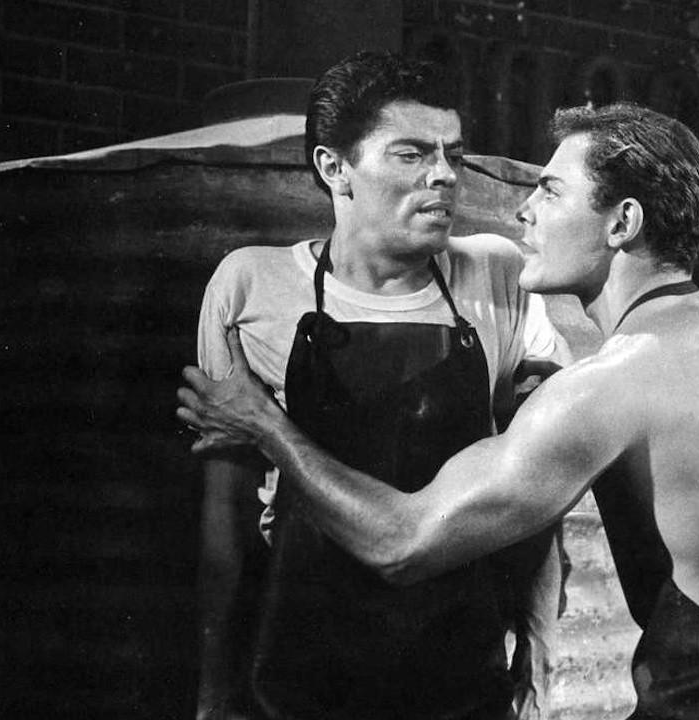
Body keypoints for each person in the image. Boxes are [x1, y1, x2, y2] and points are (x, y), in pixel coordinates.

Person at [179, 102, 699, 720]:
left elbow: (404, 542)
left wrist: (265, 426)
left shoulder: (613, 380)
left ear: (622, 223)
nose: (524, 211)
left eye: (550, 191)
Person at [192, 51, 568, 720]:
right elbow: (227, 506)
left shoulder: (498, 276)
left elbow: (541, 494)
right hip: (306, 669)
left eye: (453, 154)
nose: (444, 175)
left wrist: (539, 655)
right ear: (334, 167)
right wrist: (215, 693)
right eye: (411, 154)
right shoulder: (251, 286)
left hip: (461, 668)